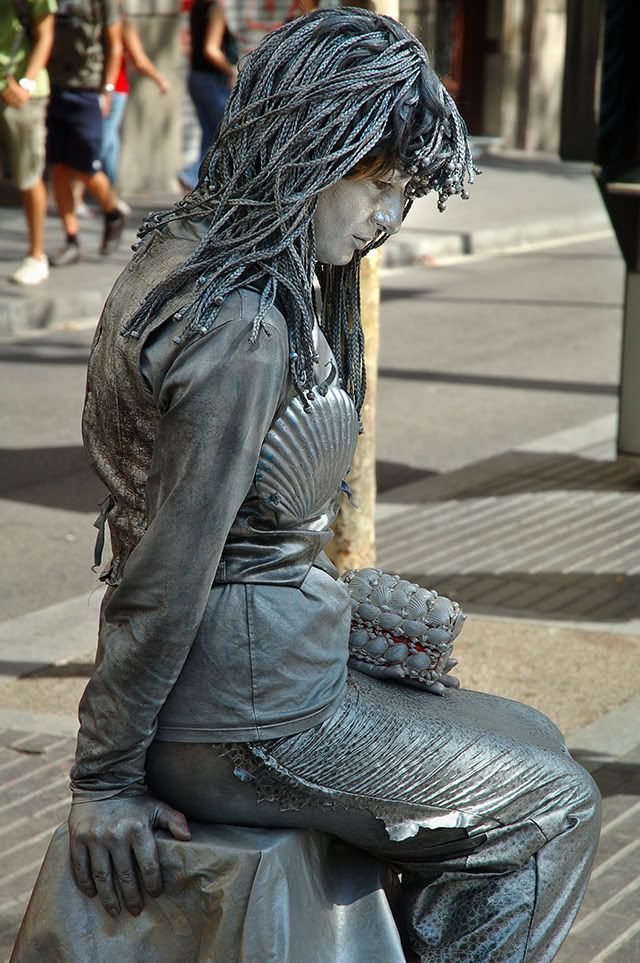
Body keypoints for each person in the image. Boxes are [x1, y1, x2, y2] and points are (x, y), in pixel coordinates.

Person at [63, 10, 600, 962]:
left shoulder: (192, 249)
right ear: (311, 147)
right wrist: (102, 778)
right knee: (554, 801)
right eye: (381, 184)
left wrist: (335, 608)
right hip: (241, 719)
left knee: (527, 732)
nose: (391, 217)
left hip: (256, 677)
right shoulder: (242, 325)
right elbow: (166, 569)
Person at [46, 0, 126, 266]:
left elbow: (115, 44)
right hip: (53, 87)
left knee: (86, 166)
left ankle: (112, 211)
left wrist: (108, 88)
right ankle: (71, 240)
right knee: (57, 166)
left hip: (87, 89)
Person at [0, 0, 56, 286]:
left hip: (21, 94)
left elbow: (46, 33)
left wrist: (26, 83)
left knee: (29, 175)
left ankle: (37, 255)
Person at [99, 3, 169, 190]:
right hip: (105, 90)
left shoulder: (120, 25)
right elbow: (139, 60)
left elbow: (139, 60)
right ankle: (107, 194)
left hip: (112, 91)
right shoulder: (107, 23)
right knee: (106, 143)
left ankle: (107, 194)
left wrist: (159, 78)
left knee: (104, 142)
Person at [178, 0, 237, 192]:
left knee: (210, 135)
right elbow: (211, 49)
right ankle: (193, 175)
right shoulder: (216, 9)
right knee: (224, 133)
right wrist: (231, 70)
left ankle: (201, 184)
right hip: (213, 80)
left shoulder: (198, 7)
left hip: (197, 77)